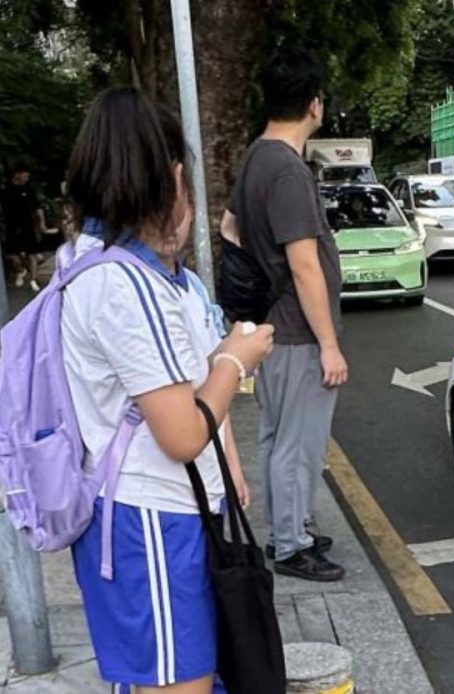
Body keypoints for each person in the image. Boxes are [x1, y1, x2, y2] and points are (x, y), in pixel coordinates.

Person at [64, 87, 275, 693]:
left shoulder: (146, 274)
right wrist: (236, 361)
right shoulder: (121, 286)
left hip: (168, 513)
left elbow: (189, 376)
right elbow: (182, 431)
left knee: (186, 677)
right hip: (149, 519)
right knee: (176, 682)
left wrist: (230, 467)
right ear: (169, 175)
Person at [221, 47, 347, 582]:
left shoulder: (256, 156)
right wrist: (331, 345)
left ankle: (286, 528)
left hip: (273, 323)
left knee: (277, 437)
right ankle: (292, 545)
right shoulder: (289, 171)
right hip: (298, 329)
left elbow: (230, 229)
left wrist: (259, 279)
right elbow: (306, 266)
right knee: (299, 444)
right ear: (315, 105)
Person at [1, 161, 46, 291]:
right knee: (11, 256)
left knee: (32, 254)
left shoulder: (28, 190)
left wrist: (42, 223)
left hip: (27, 225)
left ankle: (33, 280)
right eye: (25, 176)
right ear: (17, 175)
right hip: (11, 227)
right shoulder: (5, 190)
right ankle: (21, 270)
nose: (27, 179)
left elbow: (37, 208)